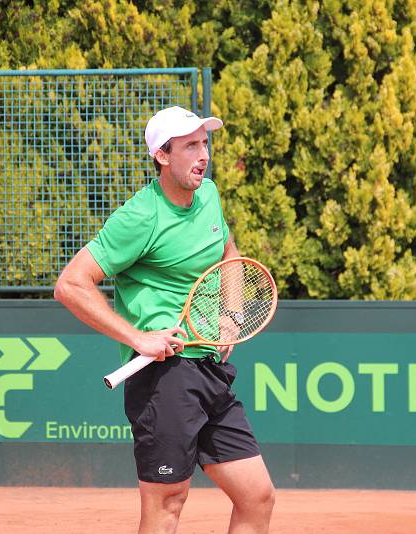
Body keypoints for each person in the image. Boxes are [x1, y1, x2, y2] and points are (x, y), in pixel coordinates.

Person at [54, 106, 275, 534]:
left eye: (204, 143)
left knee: (257, 495)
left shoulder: (208, 195)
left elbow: (229, 254)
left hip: (209, 368)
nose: (202, 154)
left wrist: (229, 315)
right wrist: (139, 337)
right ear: (161, 154)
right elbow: (71, 284)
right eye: (190, 145)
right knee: (168, 505)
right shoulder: (140, 217)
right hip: (163, 378)